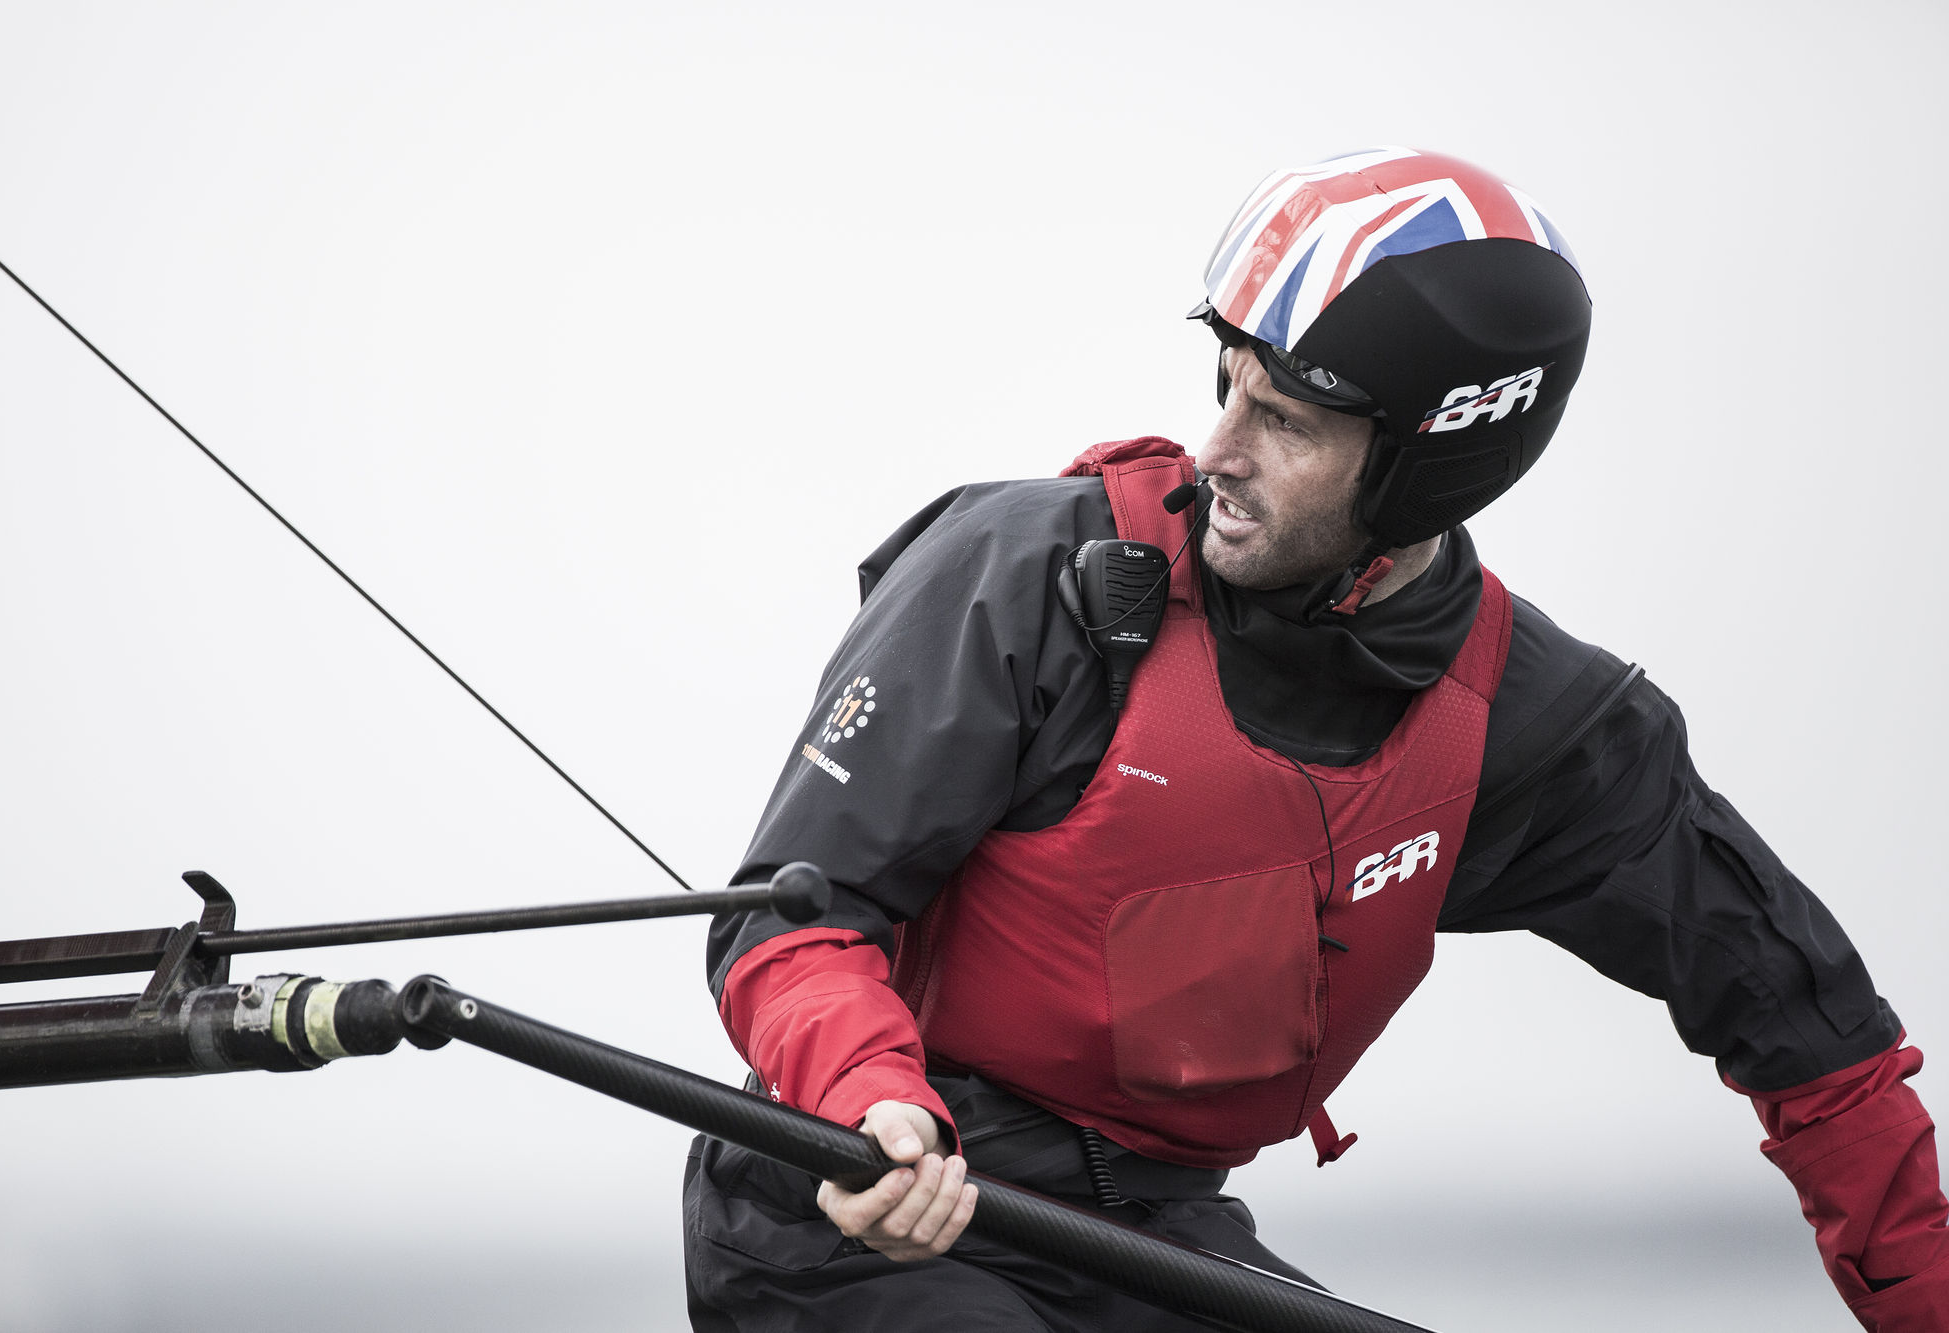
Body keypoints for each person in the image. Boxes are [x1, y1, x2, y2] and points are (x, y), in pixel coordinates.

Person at [681, 148, 1949, 1331]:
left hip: (1152, 1227)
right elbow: (790, 918)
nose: (1216, 451)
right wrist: (867, 1103)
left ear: (1429, 467)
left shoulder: (1540, 732)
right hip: (862, 1208)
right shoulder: (1027, 577)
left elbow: (1816, 1042)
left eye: (1283, 421)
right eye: (1225, 385)